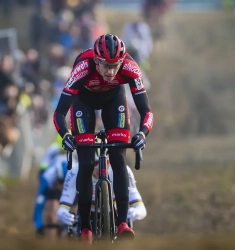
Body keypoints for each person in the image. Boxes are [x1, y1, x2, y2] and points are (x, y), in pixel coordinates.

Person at [53, 33, 154, 243]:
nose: (110, 71)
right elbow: (59, 113)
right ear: (96, 61)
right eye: (105, 66)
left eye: (115, 66)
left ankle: (123, 222)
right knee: (87, 162)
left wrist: (142, 134)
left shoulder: (130, 68)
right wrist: (66, 136)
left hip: (113, 101)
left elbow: (147, 111)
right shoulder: (82, 67)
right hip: (83, 103)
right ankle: (86, 228)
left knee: (118, 158)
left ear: (122, 62)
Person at [57, 155, 147, 230]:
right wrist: (63, 214)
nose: (99, 166)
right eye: (95, 162)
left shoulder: (123, 170)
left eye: (106, 162)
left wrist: (136, 212)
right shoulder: (75, 171)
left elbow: (141, 208)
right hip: (87, 213)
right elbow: (62, 207)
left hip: (114, 213)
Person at [33, 153, 70, 236]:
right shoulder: (46, 179)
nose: (62, 185)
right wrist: (39, 227)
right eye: (60, 182)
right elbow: (38, 206)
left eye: (65, 182)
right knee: (51, 213)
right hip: (52, 188)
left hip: (70, 182)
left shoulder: (74, 174)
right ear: (56, 178)